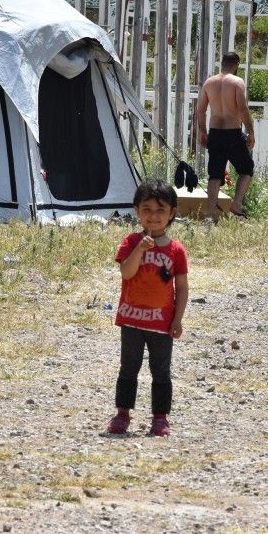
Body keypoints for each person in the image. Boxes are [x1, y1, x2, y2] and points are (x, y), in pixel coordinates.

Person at [107, 179, 189, 437]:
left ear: (172, 213)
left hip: (161, 323)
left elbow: (182, 288)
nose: (153, 216)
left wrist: (178, 320)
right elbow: (127, 273)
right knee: (128, 369)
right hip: (132, 320)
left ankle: (160, 417)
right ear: (137, 211)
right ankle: (122, 414)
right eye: (147, 209)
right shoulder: (131, 242)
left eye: (160, 210)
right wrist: (140, 249)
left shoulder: (176, 250)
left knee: (161, 371)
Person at [195, 51, 255, 221]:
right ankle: (236, 203)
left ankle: (211, 212)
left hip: (215, 133)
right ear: (236, 65)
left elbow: (200, 110)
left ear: (221, 63)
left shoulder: (209, 83)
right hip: (233, 133)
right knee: (246, 169)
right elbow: (243, 109)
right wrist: (251, 131)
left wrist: (203, 131)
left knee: (215, 174)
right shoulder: (237, 82)